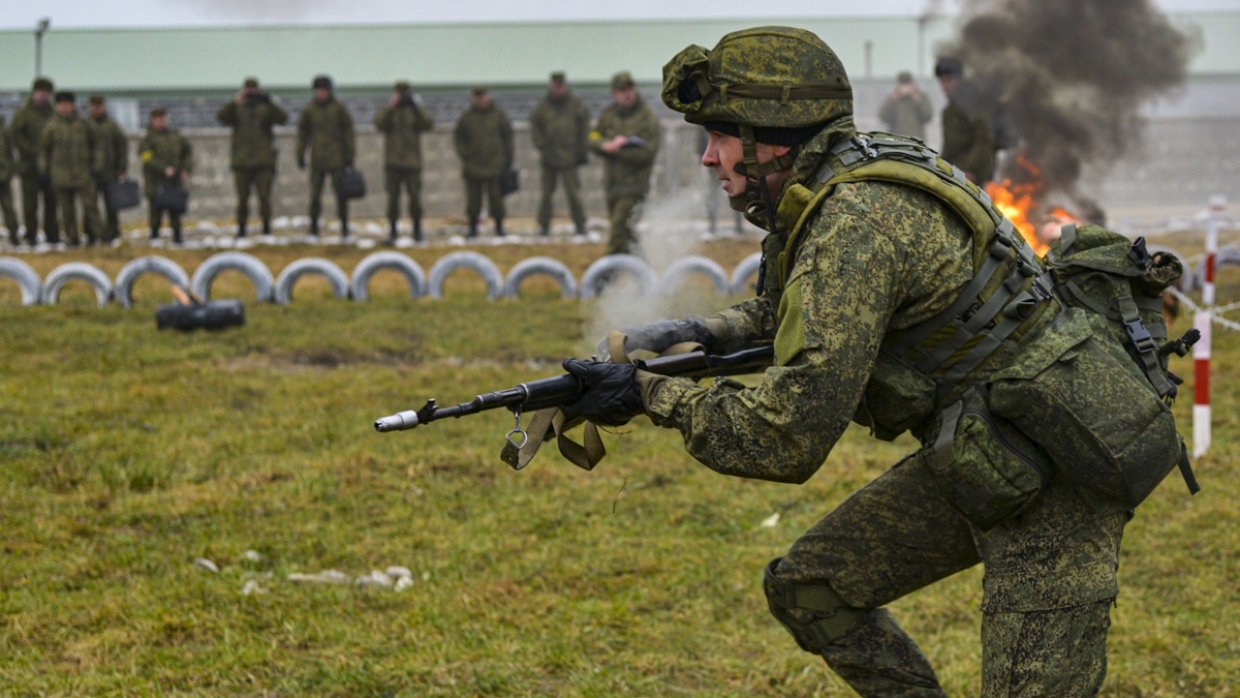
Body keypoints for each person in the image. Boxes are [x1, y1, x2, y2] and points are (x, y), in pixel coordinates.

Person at [556, 26, 1187, 696]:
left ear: (773, 135)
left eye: (719, 136)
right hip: (988, 451)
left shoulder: (852, 223)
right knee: (813, 588)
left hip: (1059, 473)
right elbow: (792, 315)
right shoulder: (856, 173)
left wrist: (649, 396)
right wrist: (694, 335)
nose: (710, 158)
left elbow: (784, 436)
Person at [589, 71, 660, 255]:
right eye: (622, 90)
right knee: (627, 236)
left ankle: (601, 281)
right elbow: (593, 137)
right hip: (613, 186)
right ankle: (646, 276)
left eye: (629, 89)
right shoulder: (609, 115)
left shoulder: (646, 117)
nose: (627, 94)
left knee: (618, 233)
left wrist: (621, 149)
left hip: (634, 187)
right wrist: (605, 145)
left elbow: (648, 151)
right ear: (614, 93)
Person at [217, 77, 289, 238]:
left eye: (253, 89)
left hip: (263, 161)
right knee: (242, 200)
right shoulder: (238, 108)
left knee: (264, 197)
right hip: (242, 162)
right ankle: (242, 229)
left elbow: (283, 119)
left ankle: (266, 228)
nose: (251, 93)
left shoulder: (265, 107)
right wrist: (235, 102)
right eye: (248, 90)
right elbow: (221, 117)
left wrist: (269, 101)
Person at [39, 92, 105, 247]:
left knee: (91, 207)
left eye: (68, 104)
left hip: (83, 173)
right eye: (62, 104)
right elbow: (43, 150)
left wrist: (97, 166)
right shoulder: (52, 127)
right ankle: (72, 238)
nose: (65, 107)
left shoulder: (84, 124)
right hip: (60, 175)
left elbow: (97, 146)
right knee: (66, 211)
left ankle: (99, 236)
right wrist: (44, 170)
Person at [530, 71, 590, 236]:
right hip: (549, 158)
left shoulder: (575, 105)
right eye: (555, 86)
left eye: (561, 86)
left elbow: (584, 127)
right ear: (551, 86)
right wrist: (542, 145)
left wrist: (582, 151)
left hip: (570, 158)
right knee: (546, 194)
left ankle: (580, 225)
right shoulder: (543, 107)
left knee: (573, 194)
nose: (558, 89)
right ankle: (544, 225)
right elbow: (535, 127)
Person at [374, 80, 434, 243]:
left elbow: (428, 124)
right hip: (393, 163)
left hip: (412, 163)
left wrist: (416, 107)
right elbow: (379, 123)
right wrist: (391, 106)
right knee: (393, 199)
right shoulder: (390, 111)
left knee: (415, 199)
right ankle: (392, 230)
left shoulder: (414, 112)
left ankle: (417, 230)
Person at [296, 75, 355, 238]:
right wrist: (300, 154)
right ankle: (314, 228)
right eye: (318, 91)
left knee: (341, 196)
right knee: (315, 196)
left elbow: (348, 133)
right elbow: (303, 134)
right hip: (318, 159)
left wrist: (349, 156)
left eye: (323, 91)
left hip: (337, 159)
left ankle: (344, 228)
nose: (320, 94)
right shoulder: (310, 110)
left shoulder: (339, 109)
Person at [454, 86, 513, 238]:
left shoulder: (498, 115)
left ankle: (499, 228)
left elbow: (508, 137)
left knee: (497, 200)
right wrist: (465, 155)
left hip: (495, 166)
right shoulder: (467, 117)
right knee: (473, 201)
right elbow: (458, 138)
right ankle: (472, 228)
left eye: (482, 96)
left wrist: (507, 159)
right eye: (477, 97)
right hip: (474, 166)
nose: (480, 100)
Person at [11, 77, 59, 245]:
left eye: (46, 93)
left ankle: (52, 234)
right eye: (40, 92)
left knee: (51, 203)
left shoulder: (54, 114)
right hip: (29, 167)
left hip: (51, 168)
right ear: (34, 93)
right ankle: (31, 234)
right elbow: (16, 136)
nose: (43, 96)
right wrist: (31, 152)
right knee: (30, 205)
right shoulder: (23, 114)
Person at [935, 57, 995, 184]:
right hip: (954, 174)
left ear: (959, 80)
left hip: (971, 176)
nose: (944, 86)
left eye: (949, 80)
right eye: (942, 81)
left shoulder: (973, 105)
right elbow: (949, 147)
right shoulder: (949, 111)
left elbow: (983, 140)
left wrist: (972, 170)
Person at [139, 108, 193, 244]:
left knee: (175, 211)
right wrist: (163, 168)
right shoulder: (148, 139)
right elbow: (146, 157)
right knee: (155, 211)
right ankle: (155, 236)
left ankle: (177, 237)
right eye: (158, 119)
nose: (161, 122)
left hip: (174, 182)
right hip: (155, 182)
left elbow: (187, 153)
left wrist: (185, 169)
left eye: (163, 119)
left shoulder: (175, 136)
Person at [87, 95, 130, 243]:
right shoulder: (85, 125)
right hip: (90, 173)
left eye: (99, 106)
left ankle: (112, 232)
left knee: (111, 206)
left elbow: (122, 147)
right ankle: (92, 233)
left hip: (109, 173)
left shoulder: (112, 126)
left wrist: (122, 167)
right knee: (90, 206)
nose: (97, 109)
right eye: (94, 106)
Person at [878, 71, 934, 141]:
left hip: (916, 141)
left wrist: (917, 98)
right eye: (902, 83)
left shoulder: (921, 97)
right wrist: (892, 99)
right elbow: (883, 117)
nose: (905, 86)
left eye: (907, 83)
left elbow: (928, 116)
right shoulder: (893, 99)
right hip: (896, 142)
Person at [0, 116, 19, 244]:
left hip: (3, 175)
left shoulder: (4, 130)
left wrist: (12, 169)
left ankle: (14, 235)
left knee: (8, 207)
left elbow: (11, 152)